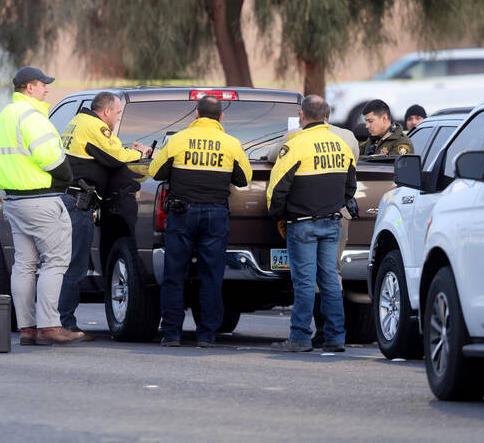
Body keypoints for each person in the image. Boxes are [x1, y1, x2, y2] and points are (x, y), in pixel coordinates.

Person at [0, 66, 84, 345]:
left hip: (15, 200)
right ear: (29, 87)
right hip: (41, 199)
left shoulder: (4, 116)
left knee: (24, 265)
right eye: (43, 84)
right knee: (55, 261)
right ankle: (50, 326)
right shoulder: (32, 117)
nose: (46, 89)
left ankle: (27, 329)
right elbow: (52, 160)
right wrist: (67, 177)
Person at [149, 95, 252, 347]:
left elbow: (155, 172)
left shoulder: (178, 140)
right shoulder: (230, 143)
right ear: (221, 117)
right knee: (211, 276)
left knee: (174, 275)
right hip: (215, 216)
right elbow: (244, 179)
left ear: (196, 115)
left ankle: (171, 333)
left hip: (182, 214)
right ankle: (207, 335)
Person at [267, 95, 357, 353]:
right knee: (330, 281)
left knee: (305, 283)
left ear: (302, 115)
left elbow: (277, 189)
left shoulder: (295, 145)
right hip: (332, 223)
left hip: (302, 224)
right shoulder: (341, 145)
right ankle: (336, 338)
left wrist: (279, 215)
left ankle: (300, 338)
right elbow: (350, 186)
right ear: (326, 115)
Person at [58, 91, 152, 337]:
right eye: (118, 113)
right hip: (78, 204)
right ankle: (64, 324)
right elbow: (116, 156)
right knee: (75, 265)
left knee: (61, 264)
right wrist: (142, 154)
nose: (117, 119)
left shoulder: (77, 121)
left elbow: (108, 151)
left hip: (68, 200)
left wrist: (124, 148)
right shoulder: (94, 126)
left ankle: (55, 321)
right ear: (107, 111)